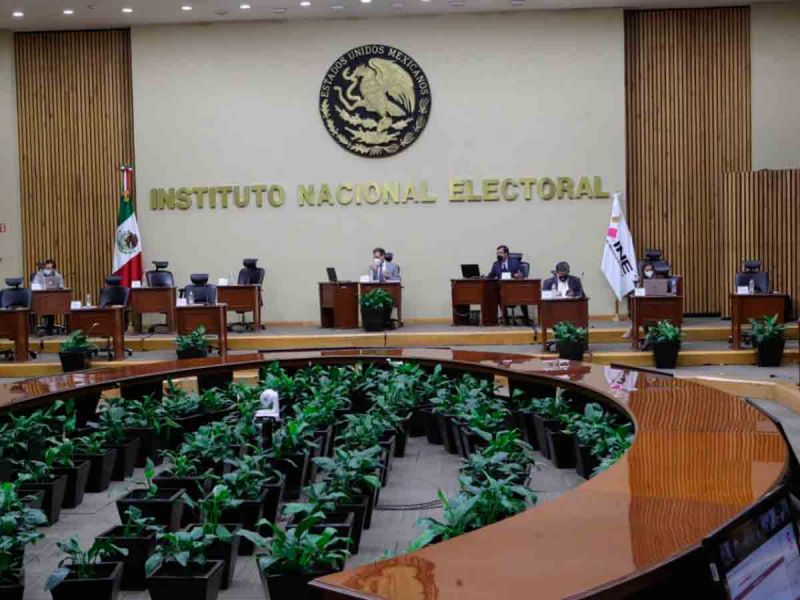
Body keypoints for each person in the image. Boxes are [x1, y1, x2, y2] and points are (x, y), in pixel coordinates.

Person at [488, 245, 529, 324]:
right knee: (497, 294)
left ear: (506, 253)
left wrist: (519, 275)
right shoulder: (496, 264)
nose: (498, 255)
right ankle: (505, 319)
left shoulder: (515, 262)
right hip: (502, 289)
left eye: (500, 253)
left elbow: (521, 274)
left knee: (522, 294)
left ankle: (526, 319)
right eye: (497, 253)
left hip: (515, 289)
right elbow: (491, 276)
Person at [32, 258, 65, 335]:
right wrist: (41, 287)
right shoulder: (39, 274)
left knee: (51, 305)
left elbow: (61, 286)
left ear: (53, 268)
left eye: (50, 268)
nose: (48, 270)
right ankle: (48, 328)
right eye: (47, 268)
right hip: (41, 298)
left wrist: (58, 287)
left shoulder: (58, 275)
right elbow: (34, 284)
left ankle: (49, 329)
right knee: (46, 305)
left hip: (54, 298)